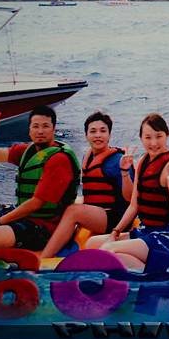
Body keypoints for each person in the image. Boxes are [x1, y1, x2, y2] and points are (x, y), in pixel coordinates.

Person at [0, 106, 80, 255]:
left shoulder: (59, 160)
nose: (40, 131)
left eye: (45, 126)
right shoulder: (29, 151)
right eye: (36, 126)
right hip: (24, 214)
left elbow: (36, 203)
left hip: (45, 228)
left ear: (54, 129)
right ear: (29, 130)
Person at [86, 113, 169, 270]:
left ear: (167, 135)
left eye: (158, 136)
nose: (153, 143)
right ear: (141, 138)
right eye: (148, 137)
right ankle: (150, 270)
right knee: (92, 244)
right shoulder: (143, 162)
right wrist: (115, 232)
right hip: (146, 231)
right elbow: (133, 205)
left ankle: (155, 276)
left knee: (108, 251)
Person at [39, 111, 135, 259]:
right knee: (65, 204)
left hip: (116, 218)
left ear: (109, 135)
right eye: (93, 131)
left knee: (73, 211)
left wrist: (124, 171)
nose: (98, 135)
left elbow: (131, 198)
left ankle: (43, 258)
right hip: (99, 212)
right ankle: (47, 240)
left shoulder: (118, 161)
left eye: (103, 131)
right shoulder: (88, 156)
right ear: (86, 136)